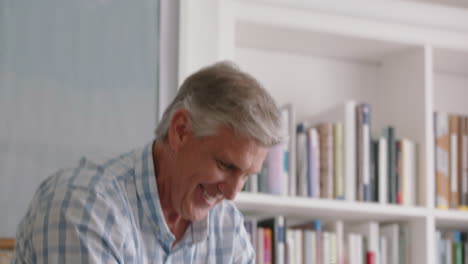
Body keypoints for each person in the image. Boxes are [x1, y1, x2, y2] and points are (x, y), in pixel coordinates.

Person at [12, 61, 283, 263]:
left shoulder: (227, 228)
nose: (233, 193)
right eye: (225, 165)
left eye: (247, 176)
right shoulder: (84, 205)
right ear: (180, 131)